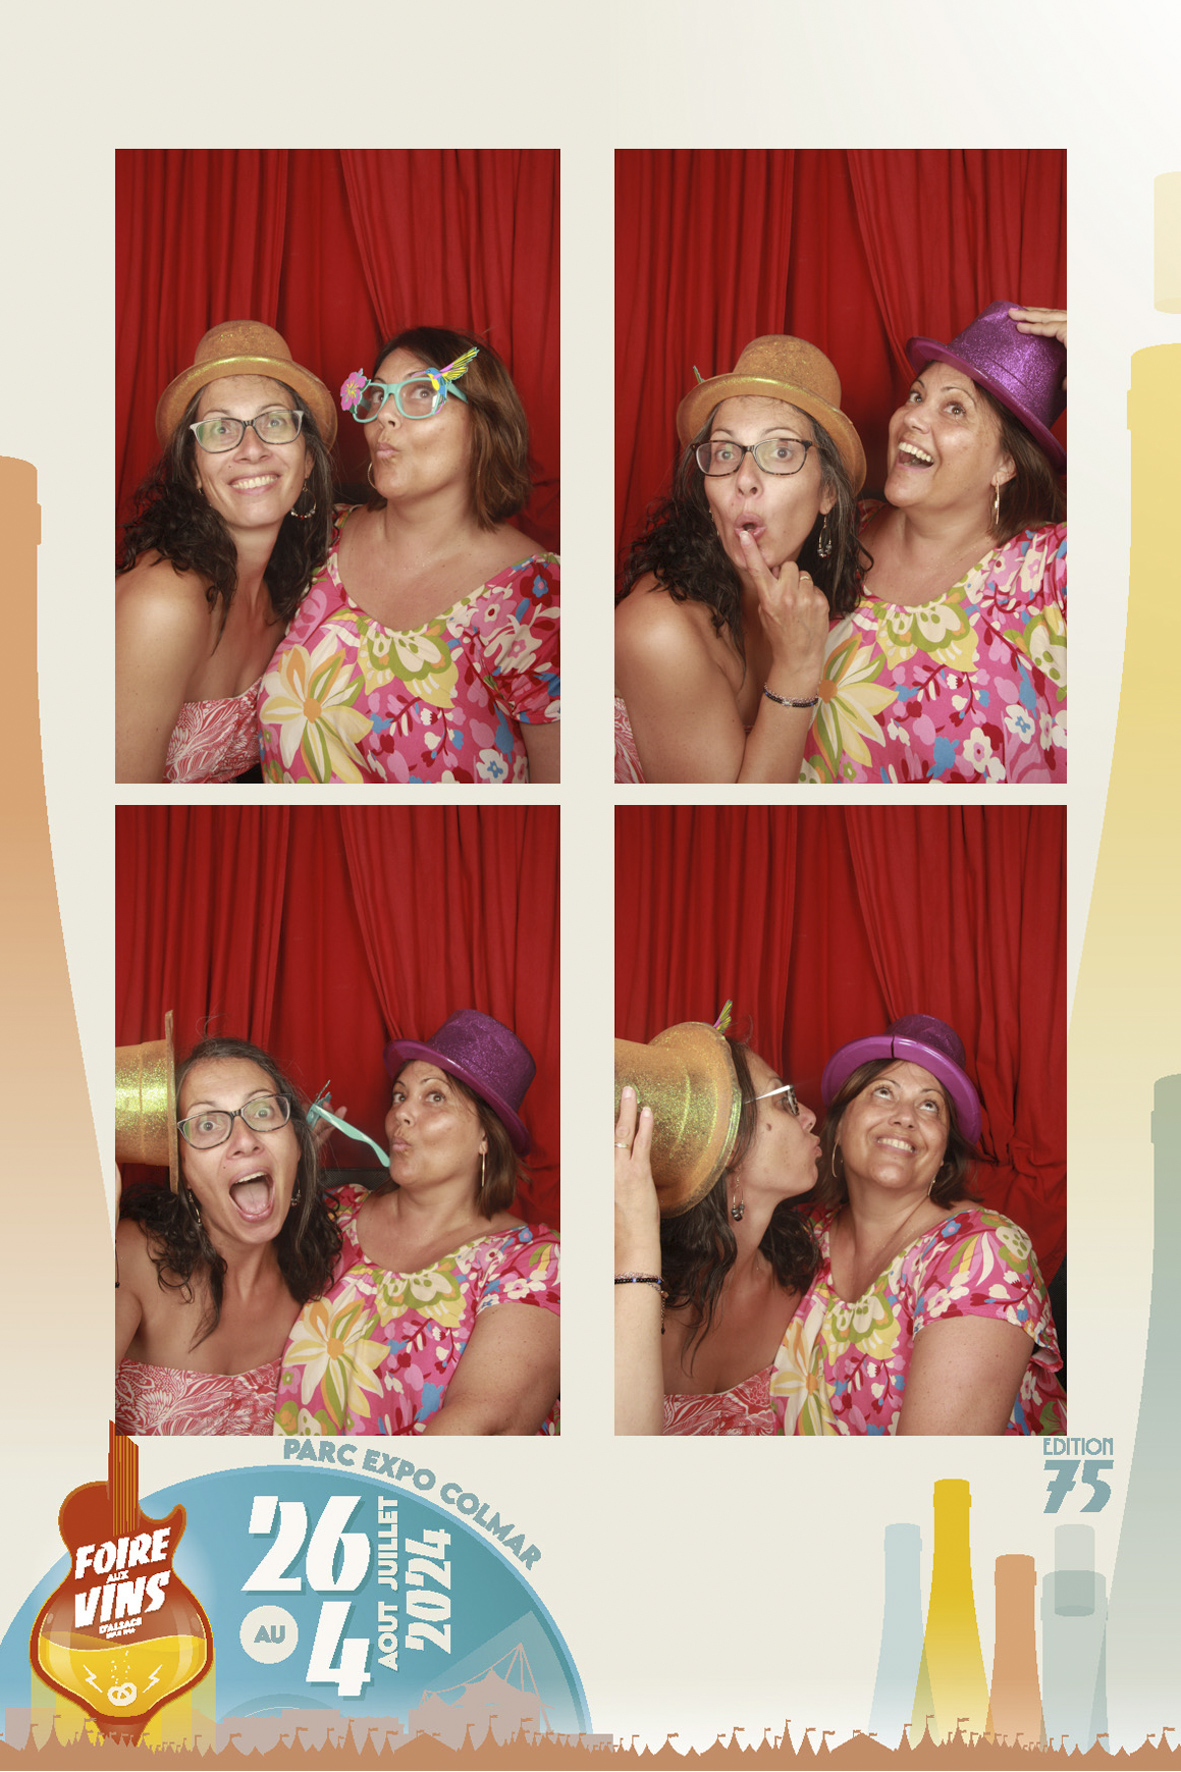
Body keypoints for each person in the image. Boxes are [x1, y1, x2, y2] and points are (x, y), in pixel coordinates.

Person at [257, 328, 559, 784]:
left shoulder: (537, 598)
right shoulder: (320, 535)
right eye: (378, 395)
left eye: (422, 392)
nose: (385, 415)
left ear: (484, 422)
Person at [803, 303, 1067, 783]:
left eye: (954, 408)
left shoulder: (1053, 569)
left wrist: (1123, 371)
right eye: (916, 395)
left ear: (1006, 463)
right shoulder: (835, 526)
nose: (912, 417)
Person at [777, 1015, 1066, 1435]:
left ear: (945, 1152)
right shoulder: (800, 1234)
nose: (905, 1117)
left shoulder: (986, 1253)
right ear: (837, 1128)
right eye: (883, 1092)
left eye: (930, 1105)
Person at [275, 1011, 560, 1435]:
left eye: (435, 1097)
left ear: (487, 1135)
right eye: (399, 1095)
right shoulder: (333, 1211)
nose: (401, 1113)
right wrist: (285, 1175)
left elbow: (485, 1425)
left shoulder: (531, 1264)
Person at [614, 336, 867, 784]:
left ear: (828, 492)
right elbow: (735, 816)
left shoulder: (807, 598)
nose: (744, 479)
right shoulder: (659, 628)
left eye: (781, 452)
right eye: (726, 452)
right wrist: (795, 669)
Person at [116, 321, 336, 783]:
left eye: (274, 422)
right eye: (220, 428)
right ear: (194, 469)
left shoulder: (288, 587)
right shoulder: (163, 603)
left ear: (308, 460)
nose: (251, 449)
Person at [115, 1038, 341, 1434]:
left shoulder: (324, 1277)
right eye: (207, 1124)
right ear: (182, 1169)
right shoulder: (133, 1257)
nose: (245, 1140)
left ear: (296, 1142)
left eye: (263, 1112)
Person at [614, 1039, 821, 1435]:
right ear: (729, 1146)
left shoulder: (806, 1273)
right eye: (785, 1102)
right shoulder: (616, 1292)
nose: (810, 1117)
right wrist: (637, 1245)